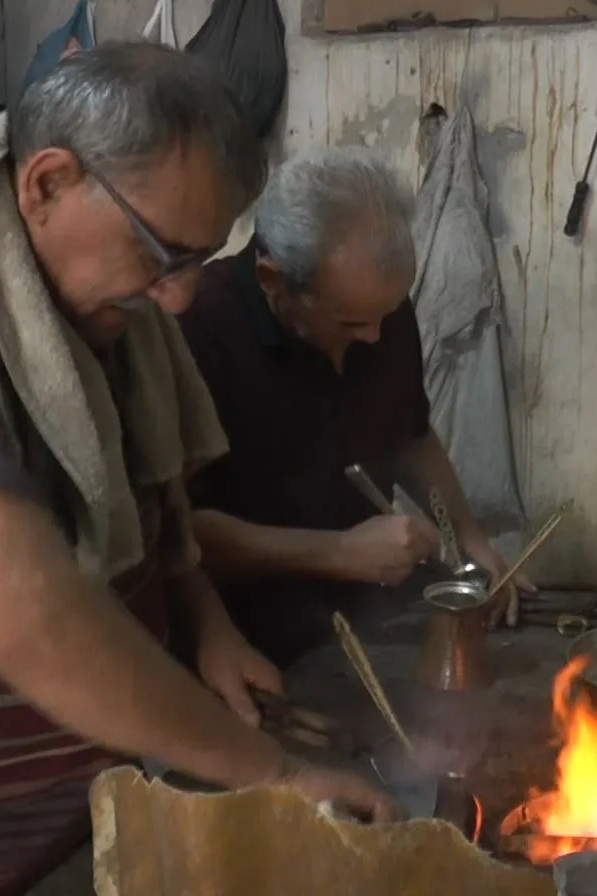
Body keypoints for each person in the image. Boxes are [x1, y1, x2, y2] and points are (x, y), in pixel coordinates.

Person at [0, 45, 395, 896]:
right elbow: (22, 612)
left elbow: (154, 509)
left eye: (195, 260)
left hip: (99, 818)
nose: (178, 299)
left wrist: (205, 623)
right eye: (162, 252)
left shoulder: (101, 308)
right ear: (46, 183)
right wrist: (272, 774)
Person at [178, 148, 534, 670]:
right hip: (244, 633)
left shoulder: (381, 308)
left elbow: (410, 433)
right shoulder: (199, 328)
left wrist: (471, 538)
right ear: (274, 282)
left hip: (371, 613)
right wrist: (338, 553)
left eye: (385, 316)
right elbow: (177, 534)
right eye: (350, 323)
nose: (373, 336)